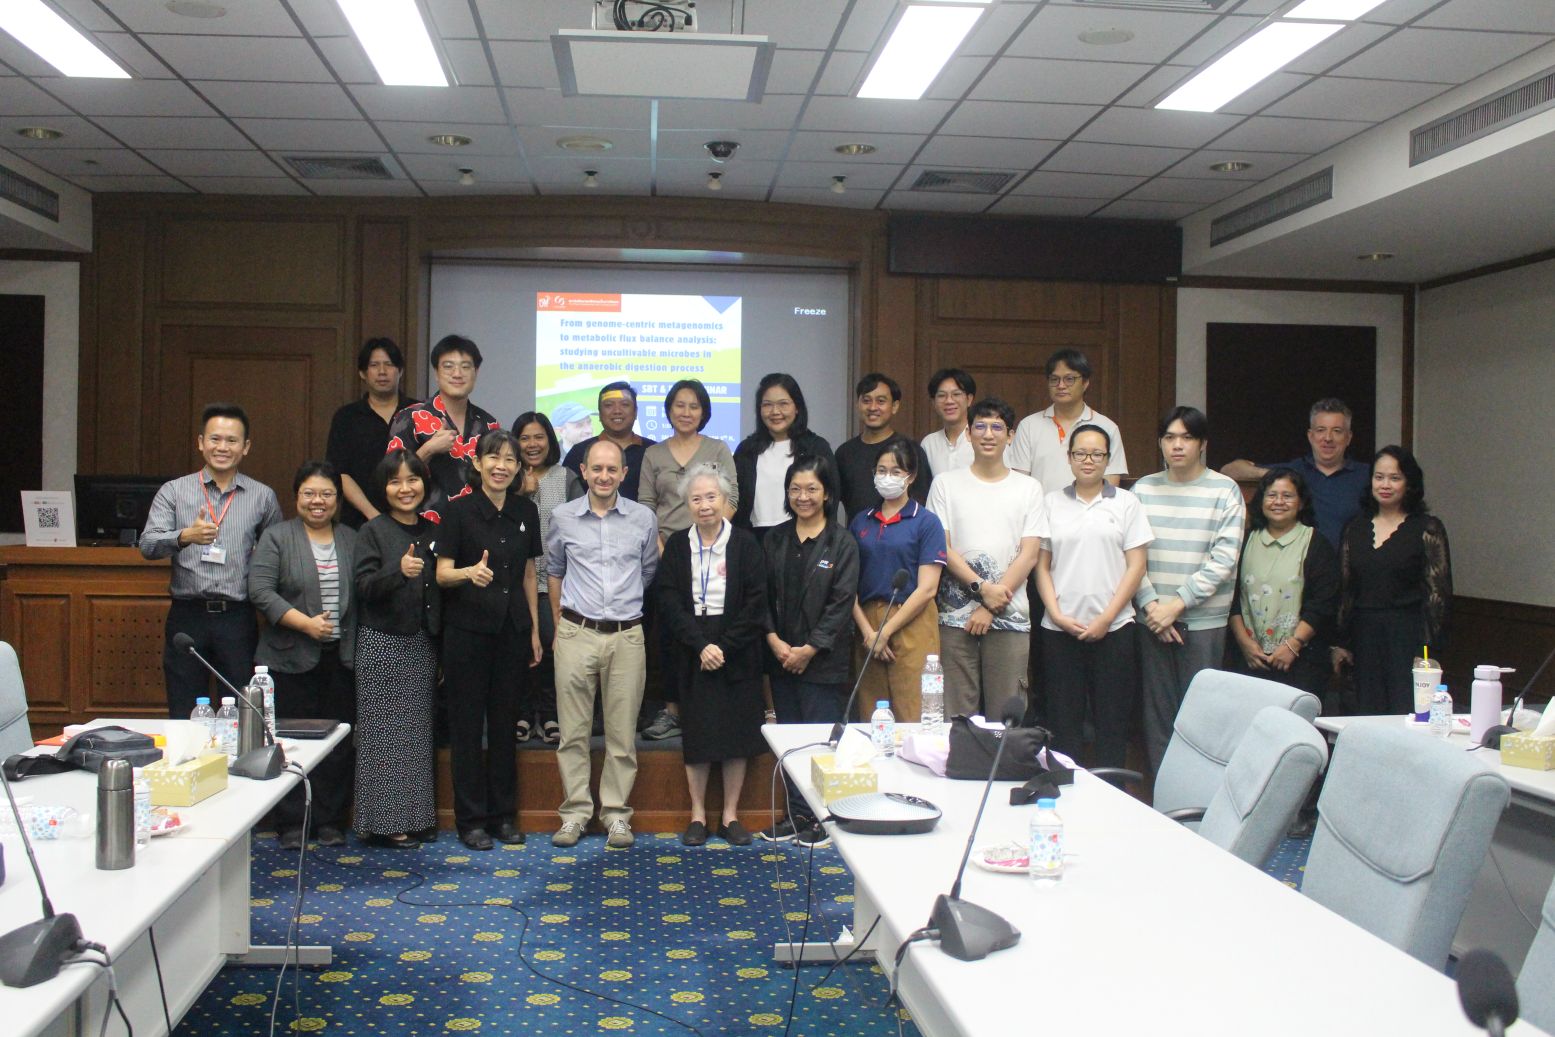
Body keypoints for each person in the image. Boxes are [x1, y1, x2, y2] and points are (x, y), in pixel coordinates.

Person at [546, 440, 660, 849]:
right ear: (584, 470)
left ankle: (615, 815)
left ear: (624, 474)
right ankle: (575, 813)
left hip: (627, 635)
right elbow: (555, 570)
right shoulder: (562, 517)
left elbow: (648, 571)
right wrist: (561, 623)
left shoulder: (643, 518)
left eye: (612, 469)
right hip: (576, 633)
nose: (604, 476)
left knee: (621, 734)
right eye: (597, 469)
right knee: (573, 733)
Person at [434, 430, 543, 851]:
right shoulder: (458, 511)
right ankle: (471, 820)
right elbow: (442, 573)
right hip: (467, 632)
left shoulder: (525, 511)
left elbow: (529, 574)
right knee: (466, 728)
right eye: (493, 458)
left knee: (503, 726)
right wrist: (469, 574)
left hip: (512, 631)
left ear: (518, 468)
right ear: (477, 463)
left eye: (510, 460)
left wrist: (534, 628)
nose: (501, 465)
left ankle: (503, 816)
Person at [140, 403, 282, 720]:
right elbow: (147, 545)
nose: (222, 447)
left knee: (245, 711)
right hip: (188, 616)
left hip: (238, 618)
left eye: (232, 441)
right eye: (215, 439)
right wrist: (184, 536)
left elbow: (275, 557)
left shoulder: (262, 497)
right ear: (201, 442)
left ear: (245, 447)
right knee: (185, 709)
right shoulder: (173, 492)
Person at [655, 465, 769, 846]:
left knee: (737, 732)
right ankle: (698, 815)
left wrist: (723, 645)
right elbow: (668, 600)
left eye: (711, 497)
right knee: (699, 733)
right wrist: (700, 645)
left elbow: (756, 603)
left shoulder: (746, 544)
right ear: (686, 504)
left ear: (724, 501)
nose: (705, 505)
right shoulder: (676, 546)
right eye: (696, 499)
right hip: (693, 647)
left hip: (737, 646)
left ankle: (731, 815)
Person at [248, 461, 358, 850]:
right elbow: (261, 591)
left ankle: (329, 821)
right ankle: (292, 822)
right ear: (296, 497)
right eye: (309, 493)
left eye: (326, 494)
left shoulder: (350, 538)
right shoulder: (278, 538)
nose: (318, 501)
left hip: (340, 658)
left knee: (337, 745)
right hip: (289, 657)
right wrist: (305, 624)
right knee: (289, 743)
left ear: (337, 500)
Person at [1132, 406, 1245, 773]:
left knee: (1201, 717)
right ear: (1160, 443)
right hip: (1152, 620)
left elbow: (1224, 558)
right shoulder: (1142, 489)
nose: (1177, 445)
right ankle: (1164, 802)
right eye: (1169, 437)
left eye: (1187, 437)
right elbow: (1129, 555)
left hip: (1202, 622)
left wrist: (1176, 605)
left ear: (1202, 444)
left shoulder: (1224, 490)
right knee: (1157, 716)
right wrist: (1152, 606)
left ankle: (1195, 801)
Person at [1035, 425, 1152, 767]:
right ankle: (1066, 797)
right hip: (1059, 630)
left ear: (1108, 459)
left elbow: (1136, 566)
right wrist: (1055, 614)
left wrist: (1106, 618)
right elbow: (1041, 566)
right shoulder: (1051, 503)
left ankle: (1110, 800)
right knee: (1062, 724)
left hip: (1115, 630)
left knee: (1112, 724)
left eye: (1097, 454)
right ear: (1069, 458)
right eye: (1080, 453)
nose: (1088, 460)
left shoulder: (1127, 503)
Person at [760, 454, 858, 848]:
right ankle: (795, 815)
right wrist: (774, 641)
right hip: (781, 658)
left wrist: (810, 648)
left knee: (820, 745)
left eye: (811, 489)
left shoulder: (842, 541)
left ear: (827, 493)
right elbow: (761, 598)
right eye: (795, 489)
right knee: (790, 744)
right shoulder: (774, 539)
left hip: (823, 663)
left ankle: (821, 819)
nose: (803, 497)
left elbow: (841, 602)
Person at [924, 398, 1044, 718]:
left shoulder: (1029, 488)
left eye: (996, 427)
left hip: (1010, 616)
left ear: (1010, 435)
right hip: (955, 617)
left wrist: (991, 604)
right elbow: (943, 548)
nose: (988, 434)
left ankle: (1003, 771)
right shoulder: (945, 485)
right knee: (955, 716)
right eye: (980, 426)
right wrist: (982, 590)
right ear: (968, 433)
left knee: (1007, 718)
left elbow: (1029, 553)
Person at [637, 379, 739, 741]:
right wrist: (668, 553)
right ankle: (671, 710)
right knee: (668, 633)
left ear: (704, 411)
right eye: (679, 405)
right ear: (668, 410)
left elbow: (732, 499)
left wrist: (708, 542)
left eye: (693, 406)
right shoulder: (654, 454)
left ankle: (707, 706)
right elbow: (647, 508)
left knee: (708, 630)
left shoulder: (718, 448)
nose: (686, 412)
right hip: (667, 553)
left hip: (712, 551)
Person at [352, 449, 440, 849]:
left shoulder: (432, 530)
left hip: (421, 643)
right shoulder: (373, 530)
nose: (405, 489)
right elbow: (364, 587)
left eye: (412, 480)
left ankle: (416, 816)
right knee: (383, 736)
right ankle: (383, 822)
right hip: (382, 643)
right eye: (395, 481)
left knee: (416, 736)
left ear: (424, 483)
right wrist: (397, 572)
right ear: (383, 489)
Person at [1334, 446, 1452, 716]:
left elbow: (1438, 596)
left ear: (1409, 483)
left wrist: (1427, 649)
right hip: (1363, 636)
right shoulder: (1355, 527)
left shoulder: (1427, 528)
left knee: (1406, 711)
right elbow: (1345, 589)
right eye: (1379, 477)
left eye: (1395, 478)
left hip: (1407, 635)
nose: (1385, 485)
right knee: (1366, 713)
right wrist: (1340, 642)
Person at [849, 435, 946, 722]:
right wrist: (869, 632)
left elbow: (927, 588)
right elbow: (848, 585)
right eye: (881, 471)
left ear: (911, 476)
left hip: (912, 620)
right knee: (872, 714)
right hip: (867, 622)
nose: (887, 477)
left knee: (914, 713)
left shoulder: (926, 521)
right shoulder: (861, 521)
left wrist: (886, 631)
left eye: (895, 471)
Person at [1229, 467, 1340, 701]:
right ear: (1261, 501)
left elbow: (1323, 603)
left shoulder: (1315, 544)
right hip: (1250, 659)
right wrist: (1244, 643)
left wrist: (1293, 646)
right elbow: (1231, 597)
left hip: (1300, 662)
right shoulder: (1245, 541)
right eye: (1271, 495)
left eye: (1287, 496)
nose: (1278, 501)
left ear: (1301, 503)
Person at [514, 410, 584, 744]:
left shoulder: (566, 475)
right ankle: (525, 713)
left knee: (555, 649)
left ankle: (552, 714)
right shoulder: (506, 477)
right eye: (524, 437)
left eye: (538, 437)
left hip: (558, 580)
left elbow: (580, 525)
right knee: (523, 649)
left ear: (550, 440)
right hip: (517, 579)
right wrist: (521, 492)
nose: (532, 444)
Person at [1222, 398, 1369, 549]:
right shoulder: (1295, 471)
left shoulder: (1367, 475)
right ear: (1310, 436)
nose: (1328, 438)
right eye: (1321, 430)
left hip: (1346, 567)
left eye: (1337, 431)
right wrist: (1279, 475)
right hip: (1299, 566)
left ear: (1348, 437)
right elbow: (1230, 470)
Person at [385, 334, 501, 522]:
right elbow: (390, 479)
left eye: (465, 366)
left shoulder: (488, 424)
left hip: (477, 528)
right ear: (436, 373)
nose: (457, 374)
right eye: (448, 366)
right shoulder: (409, 417)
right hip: (423, 528)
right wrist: (428, 449)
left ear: (476, 372)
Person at [1008, 349, 1127, 491]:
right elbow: (1020, 484)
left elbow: (1110, 484)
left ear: (1085, 383)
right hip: (1040, 512)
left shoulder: (1106, 427)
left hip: (1090, 512)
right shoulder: (1028, 426)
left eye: (1069, 379)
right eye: (1054, 379)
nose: (1061, 385)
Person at [326, 338, 413, 528]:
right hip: (359, 523)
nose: (382, 372)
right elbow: (339, 472)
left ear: (400, 371)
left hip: (412, 520)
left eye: (389, 365)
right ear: (362, 373)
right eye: (374, 365)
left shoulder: (418, 413)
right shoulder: (346, 417)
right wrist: (372, 514)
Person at [733, 373, 835, 531]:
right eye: (767, 404)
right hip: (754, 540)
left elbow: (831, 501)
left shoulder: (817, 448)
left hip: (802, 539)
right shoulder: (746, 450)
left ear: (797, 408)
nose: (775, 411)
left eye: (783, 404)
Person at [834, 373, 933, 521]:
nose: (873, 407)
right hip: (857, 538)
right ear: (857, 404)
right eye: (866, 400)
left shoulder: (911, 450)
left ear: (894, 406)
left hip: (904, 538)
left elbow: (924, 499)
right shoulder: (844, 453)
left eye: (881, 401)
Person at [560, 381, 654, 501]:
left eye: (625, 405)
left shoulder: (652, 451)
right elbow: (565, 497)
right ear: (599, 414)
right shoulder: (579, 452)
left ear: (635, 412)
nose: (617, 411)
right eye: (609, 405)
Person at [920, 368, 977, 478]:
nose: (949, 401)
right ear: (933, 402)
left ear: (969, 399)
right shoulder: (928, 444)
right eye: (941, 395)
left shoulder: (985, 439)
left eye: (956, 394)